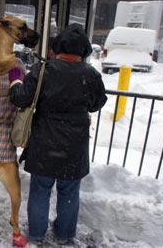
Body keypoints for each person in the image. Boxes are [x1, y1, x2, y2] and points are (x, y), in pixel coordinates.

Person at [8, 24, 108, 245]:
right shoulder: (90, 74)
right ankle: (64, 234)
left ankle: (36, 233)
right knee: (69, 191)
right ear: (84, 50)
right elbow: (97, 103)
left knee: (40, 190)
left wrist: (15, 78)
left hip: (44, 142)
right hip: (74, 146)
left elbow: (20, 98)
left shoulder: (43, 70)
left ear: (58, 45)